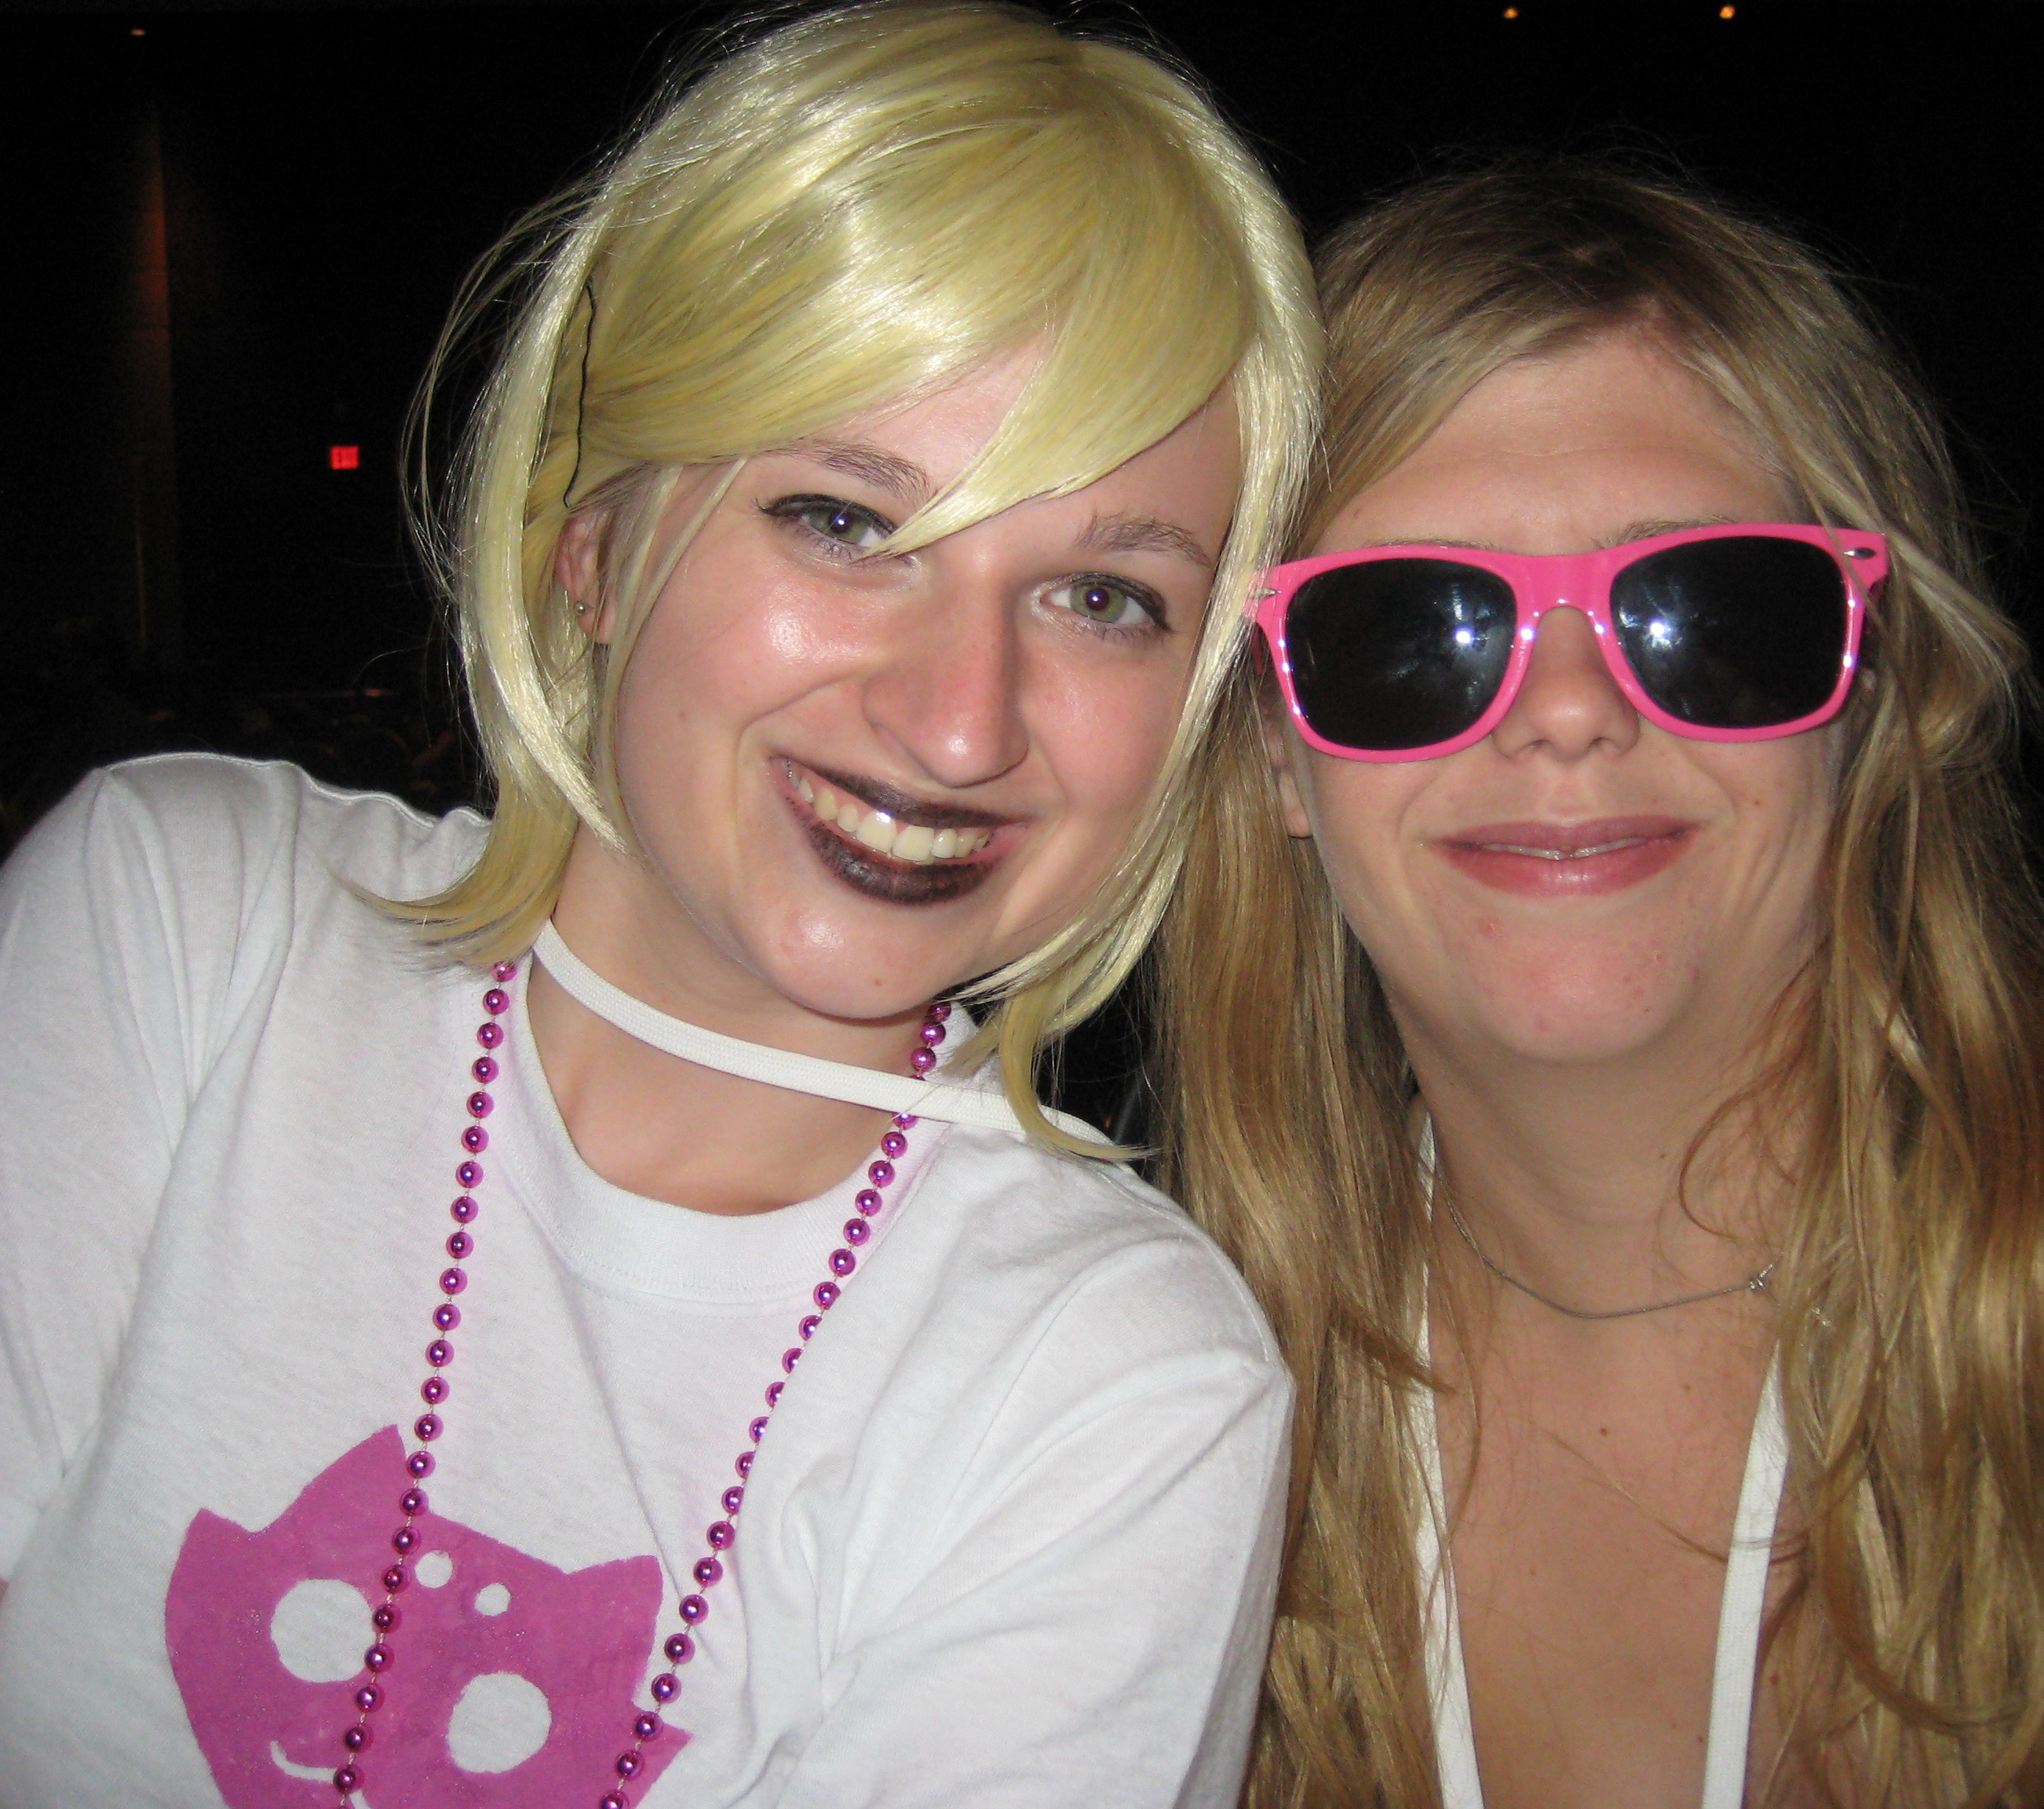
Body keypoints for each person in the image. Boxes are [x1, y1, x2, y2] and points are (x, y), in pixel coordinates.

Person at [0, 5, 1318, 1803]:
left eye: (1104, 598)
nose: (960, 722)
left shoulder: (1112, 1389)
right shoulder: (180, 936)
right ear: (595, 542)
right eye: (846, 521)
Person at [1156, 161, 2044, 1807]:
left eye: (1712, 608)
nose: (1569, 712)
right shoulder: (1172, 1397)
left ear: (1869, 679)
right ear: (1270, 743)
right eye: (1409, 627)